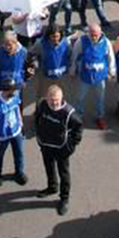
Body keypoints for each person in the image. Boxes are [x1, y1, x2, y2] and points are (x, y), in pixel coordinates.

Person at [33, 83, 81, 216]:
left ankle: (64, 199)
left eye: (57, 101)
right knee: (49, 168)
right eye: (51, 100)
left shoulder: (69, 113)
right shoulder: (42, 105)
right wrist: (39, 137)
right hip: (46, 145)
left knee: (64, 174)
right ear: (46, 98)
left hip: (61, 149)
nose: (54, 103)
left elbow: (78, 130)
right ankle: (52, 187)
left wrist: (70, 147)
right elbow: (37, 119)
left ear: (62, 98)